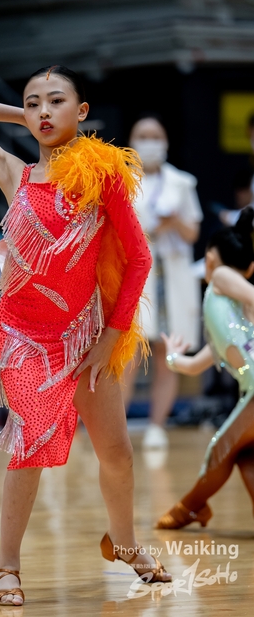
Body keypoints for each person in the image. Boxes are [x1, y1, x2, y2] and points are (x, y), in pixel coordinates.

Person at [0, 64, 172, 606]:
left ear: (83, 111)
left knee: (117, 453)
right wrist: (22, 117)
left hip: (86, 334)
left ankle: (125, 543)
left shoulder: (100, 178)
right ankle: (6, 565)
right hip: (23, 334)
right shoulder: (13, 172)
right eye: (34, 102)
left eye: (56, 101)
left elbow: (140, 258)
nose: (43, 111)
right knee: (33, 440)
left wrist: (111, 336)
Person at [155, 205, 254, 529]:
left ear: (211, 257)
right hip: (250, 394)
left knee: (219, 449)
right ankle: (191, 508)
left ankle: (189, 507)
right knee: (243, 453)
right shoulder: (228, 325)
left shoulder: (223, 276)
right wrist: (172, 357)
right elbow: (194, 366)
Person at [122, 113, 204, 449]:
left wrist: (172, 222)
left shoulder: (182, 183)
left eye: (156, 137)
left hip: (171, 276)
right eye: (143, 136)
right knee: (126, 355)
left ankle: (157, 426)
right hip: (134, 274)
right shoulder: (120, 180)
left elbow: (193, 232)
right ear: (131, 142)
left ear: (166, 143)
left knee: (166, 353)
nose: (150, 143)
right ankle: (115, 428)